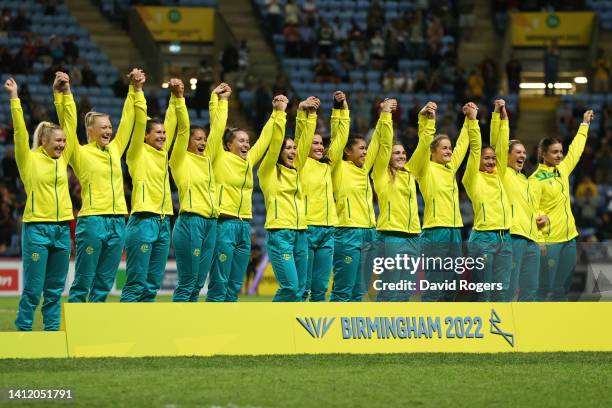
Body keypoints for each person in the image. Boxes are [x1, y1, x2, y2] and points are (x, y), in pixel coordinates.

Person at [53, 69, 140, 303]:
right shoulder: (79, 153)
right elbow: (67, 124)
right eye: (103, 127)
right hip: (92, 221)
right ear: (90, 130)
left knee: (103, 284)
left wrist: (134, 89)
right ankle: (74, 331)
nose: (109, 131)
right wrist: (64, 94)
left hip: (117, 221)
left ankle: (93, 335)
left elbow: (129, 120)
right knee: (83, 281)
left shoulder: (115, 149)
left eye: (109, 127)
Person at [7, 77, 75, 330]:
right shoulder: (28, 159)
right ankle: (24, 332)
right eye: (57, 141)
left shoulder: (63, 157)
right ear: (45, 140)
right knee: (34, 288)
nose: (62, 144)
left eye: (64, 141)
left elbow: (70, 122)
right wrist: (15, 98)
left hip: (61, 230)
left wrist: (65, 93)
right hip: (36, 228)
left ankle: (52, 332)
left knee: (56, 289)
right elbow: (19, 132)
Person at [206, 93, 285, 302]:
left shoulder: (248, 161)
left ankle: (229, 325)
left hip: (243, 227)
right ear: (228, 144)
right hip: (223, 223)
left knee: (234, 283)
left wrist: (278, 113)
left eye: (247, 141)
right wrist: (220, 102)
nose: (246, 145)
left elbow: (266, 138)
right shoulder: (217, 157)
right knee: (219, 281)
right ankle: (209, 324)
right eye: (241, 141)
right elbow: (216, 129)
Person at [168, 82, 231, 302]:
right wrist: (180, 99)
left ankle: (189, 332)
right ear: (187, 142)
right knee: (187, 282)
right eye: (198, 139)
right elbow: (183, 128)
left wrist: (220, 100)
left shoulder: (207, 158)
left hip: (211, 223)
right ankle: (176, 329)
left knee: (197, 284)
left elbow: (219, 129)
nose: (203, 142)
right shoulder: (179, 159)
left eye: (204, 139)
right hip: (190, 221)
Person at [330, 98, 395, 302]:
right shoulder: (337, 168)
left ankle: (349, 334)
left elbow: (378, 140)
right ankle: (331, 332)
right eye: (361, 149)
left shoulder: (365, 169)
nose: (366, 152)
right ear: (348, 152)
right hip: (347, 231)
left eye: (366, 149)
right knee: (343, 291)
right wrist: (341, 110)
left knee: (360, 291)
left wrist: (385, 115)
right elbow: (337, 138)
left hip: (369, 233)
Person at [120, 71, 175, 302]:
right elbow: (138, 120)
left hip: (164, 222)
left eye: (164, 133)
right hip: (143, 220)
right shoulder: (136, 153)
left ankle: (141, 335)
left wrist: (176, 98)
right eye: (158, 133)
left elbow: (173, 122)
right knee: (136, 283)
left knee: (152, 285)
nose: (163, 136)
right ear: (145, 136)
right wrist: (138, 91)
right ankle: (124, 333)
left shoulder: (163, 155)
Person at [408, 101, 470, 301]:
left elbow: (463, 144)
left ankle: (446, 328)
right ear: (432, 153)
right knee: (435, 286)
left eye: (449, 148)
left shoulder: (451, 168)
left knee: (452, 286)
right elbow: (423, 143)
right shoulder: (424, 169)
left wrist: (471, 119)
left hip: (454, 231)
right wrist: (426, 120)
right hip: (435, 231)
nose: (449, 151)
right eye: (444, 148)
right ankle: (430, 329)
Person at [532, 109, 594, 301]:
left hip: (569, 238)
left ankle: (557, 326)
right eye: (555, 152)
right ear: (543, 154)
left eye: (561, 151)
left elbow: (576, 149)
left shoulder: (562, 170)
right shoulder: (535, 180)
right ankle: (537, 327)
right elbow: (533, 211)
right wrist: (540, 241)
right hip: (550, 242)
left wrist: (584, 124)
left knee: (563, 288)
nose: (560, 155)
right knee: (544, 288)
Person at [258, 95, 313, 301]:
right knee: (290, 286)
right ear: (279, 152)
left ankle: (291, 331)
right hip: (280, 233)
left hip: (301, 233)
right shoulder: (267, 172)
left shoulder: (297, 171)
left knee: (301, 290)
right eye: (287, 148)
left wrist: (306, 113)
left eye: (293, 148)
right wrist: (280, 114)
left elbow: (305, 142)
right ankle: (272, 325)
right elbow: (273, 146)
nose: (292, 151)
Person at [300, 91, 348, 301]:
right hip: (307, 228)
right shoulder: (299, 163)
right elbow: (300, 134)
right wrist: (308, 114)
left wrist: (340, 107)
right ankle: (294, 329)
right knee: (303, 287)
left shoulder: (328, 166)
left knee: (320, 287)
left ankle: (317, 330)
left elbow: (342, 137)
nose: (320, 147)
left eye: (321, 143)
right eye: (315, 143)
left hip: (329, 230)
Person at [462, 100, 512, 301]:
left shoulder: (499, 174)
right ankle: (483, 331)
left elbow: (501, 144)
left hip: (505, 238)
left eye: (493, 158)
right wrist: (473, 121)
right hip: (483, 239)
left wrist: (500, 115)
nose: (491, 161)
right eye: (486, 158)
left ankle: (499, 330)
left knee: (502, 291)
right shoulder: (472, 178)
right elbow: (475, 148)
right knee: (483, 292)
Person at [496, 108, 546, 301]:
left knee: (531, 289)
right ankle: (504, 325)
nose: (523, 156)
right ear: (506, 155)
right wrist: (504, 120)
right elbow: (499, 145)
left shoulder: (526, 180)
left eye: (524, 153)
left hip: (531, 240)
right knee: (509, 287)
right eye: (518, 152)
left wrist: (541, 231)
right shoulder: (502, 173)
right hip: (513, 236)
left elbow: (534, 209)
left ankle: (526, 327)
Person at [371, 102, 419, 302]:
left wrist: (427, 121)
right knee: (390, 289)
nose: (402, 156)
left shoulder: (410, 174)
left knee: (406, 291)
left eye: (403, 153)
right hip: (391, 236)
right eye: (396, 153)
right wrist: (386, 115)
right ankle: (381, 330)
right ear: (388, 157)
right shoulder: (380, 174)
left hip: (414, 236)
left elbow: (424, 147)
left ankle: (398, 330)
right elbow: (383, 145)